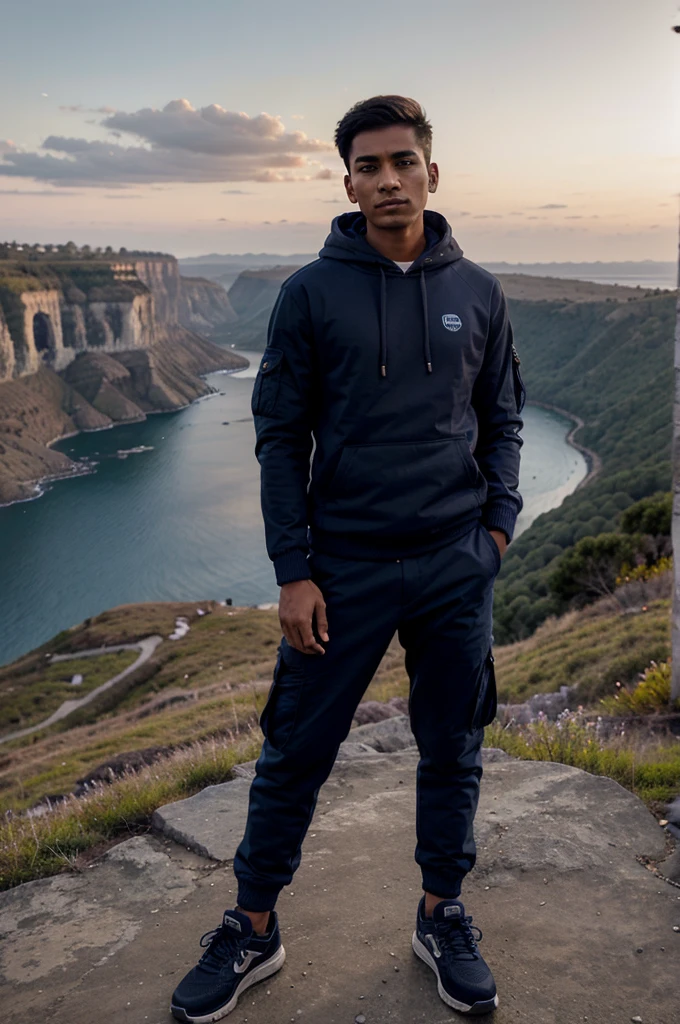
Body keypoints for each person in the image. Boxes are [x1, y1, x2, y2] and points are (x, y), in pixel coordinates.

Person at [171, 94, 525, 1022]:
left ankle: (441, 910)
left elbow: (504, 418)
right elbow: (281, 437)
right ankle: (252, 926)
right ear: (349, 184)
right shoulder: (308, 294)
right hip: (344, 571)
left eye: (402, 162)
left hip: (455, 563)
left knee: (453, 745)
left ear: (431, 173)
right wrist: (293, 570)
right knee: (296, 750)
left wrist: (497, 529)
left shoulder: (479, 292)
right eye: (369, 167)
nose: (388, 180)